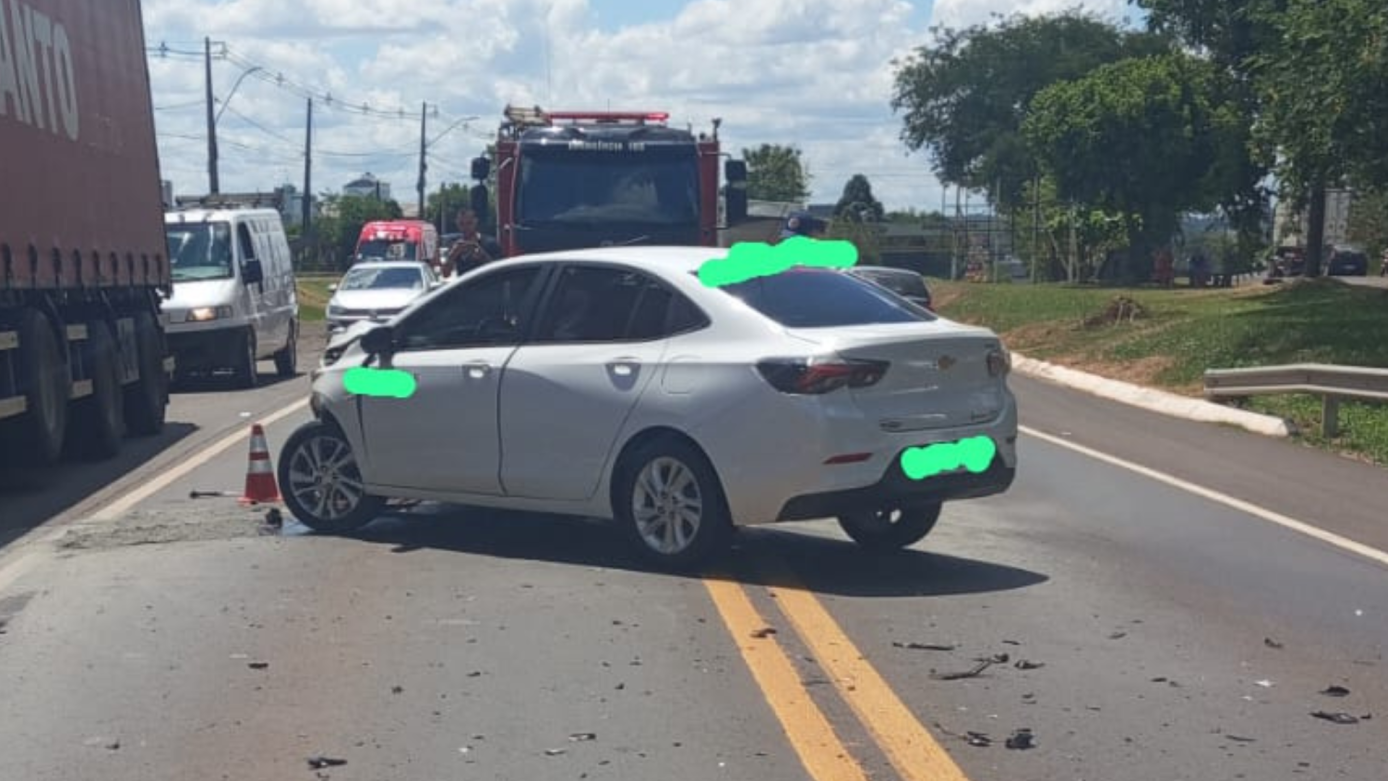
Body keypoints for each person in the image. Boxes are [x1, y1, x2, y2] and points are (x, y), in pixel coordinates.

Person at [443, 208, 503, 278]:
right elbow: (445, 274)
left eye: (469, 223)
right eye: (461, 224)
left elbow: (499, 272)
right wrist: (453, 255)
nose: (465, 227)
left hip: (486, 286)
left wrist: (482, 256)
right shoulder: (455, 245)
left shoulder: (490, 243)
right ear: (457, 223)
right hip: (465, 287)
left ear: (476, 222)